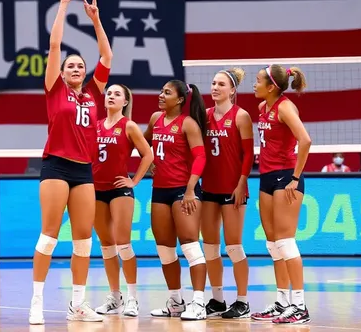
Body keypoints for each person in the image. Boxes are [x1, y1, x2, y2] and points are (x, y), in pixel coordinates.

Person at [28, 0, 112, 325]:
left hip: (84, 171)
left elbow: (106, 57)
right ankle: (36, 301)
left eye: (80, 65)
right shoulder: (54, 90)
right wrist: (63, 5)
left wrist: (95, 20)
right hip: (56, 166)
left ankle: (78, 303)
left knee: (83, 241)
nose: (77, 68)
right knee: (48, 236)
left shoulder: (93, 92)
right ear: (62, 73)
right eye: (71, 66)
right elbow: (54, 45)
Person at [251, 64, 311, 324]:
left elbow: (305, 140)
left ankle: (300, 306)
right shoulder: (263, 108)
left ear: (271, 86)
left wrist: (295, 178)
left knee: (286, 242)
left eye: (257, 81)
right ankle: (282, 301)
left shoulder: (285, 107)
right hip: (266, 176)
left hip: (286, 176)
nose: (253, 85)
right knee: (273, 244)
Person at [143, 80, 208, 321]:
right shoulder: (155, 119)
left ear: (180, 100)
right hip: (159, 190)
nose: (161, 95)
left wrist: (191, 189)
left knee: (190, 245)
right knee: (164, 249)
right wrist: (147, 160)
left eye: (167, 93)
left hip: (184, 190)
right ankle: (176, 302)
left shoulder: (188, 124)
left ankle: (199, 303)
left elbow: (200, 157)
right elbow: (142, 142)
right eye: (161, 91)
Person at [92, 84, 153, 317]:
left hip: (120, 190)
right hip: (97, 191)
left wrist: (134, 180)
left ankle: (132, 298)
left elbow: (148, 154)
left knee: (123, 244)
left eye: (117, 94)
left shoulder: (128, 126)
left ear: (125, 102)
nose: (111, 96)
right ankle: (114, 297)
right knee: (106, 246)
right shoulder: (95, 126)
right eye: (109, 93)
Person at [200, 69, 254, 319]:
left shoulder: (241, 116)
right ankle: (218, 299)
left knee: (233, 246)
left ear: (232, 90)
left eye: (221, 84)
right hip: (209, 188)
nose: (215, 87)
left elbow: (248, 156)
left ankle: (242, 301)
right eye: (213, 83)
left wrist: (242, 183)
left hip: (233, 189)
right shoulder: (205, 116)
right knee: (210, 248)